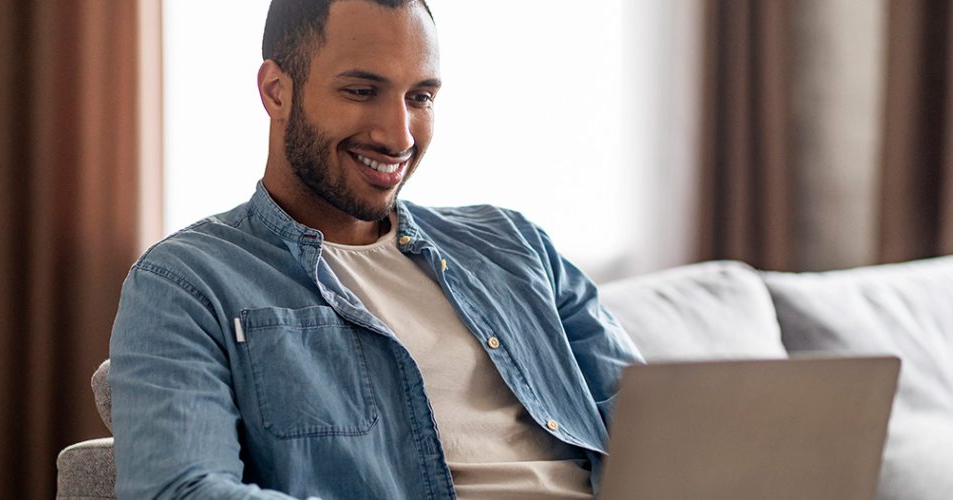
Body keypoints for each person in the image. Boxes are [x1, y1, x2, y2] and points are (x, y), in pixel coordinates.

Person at [109, 0, 643, 498]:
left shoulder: (515, 243)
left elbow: (660, 426)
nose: (399, 135)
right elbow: (182, 488)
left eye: (421, 97)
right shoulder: (186, 282)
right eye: (362, 91)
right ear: (276, 90)